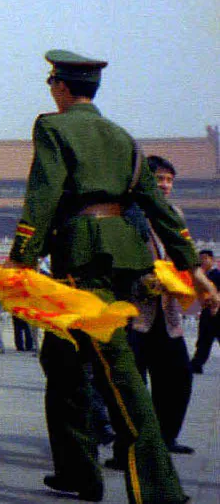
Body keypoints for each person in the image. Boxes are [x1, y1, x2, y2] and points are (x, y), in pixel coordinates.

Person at [8, 49, 218, 503]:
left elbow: (42, 194)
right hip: (120, 255)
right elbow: (159, 208)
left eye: (51, 85)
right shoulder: (124, 138)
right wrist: (194, 269)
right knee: (61, 362)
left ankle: (160, 489)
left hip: (82, 259)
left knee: (117, 370)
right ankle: (77, 471)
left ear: (60, 88)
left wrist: (21, 257)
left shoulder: (53, 126)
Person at [111, 155, 195, 459]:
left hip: (167, 311)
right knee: (132, 381)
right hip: (133, 311)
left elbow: (184, 256)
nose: (165, 185)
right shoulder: (124, 214)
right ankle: (127, 446)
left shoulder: (174, 215)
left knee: (178, 375)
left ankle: (166, 436)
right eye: (159, 178)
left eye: (170, 180)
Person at [190, 249, 220, 374]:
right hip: (207, 312)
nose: (202, 261)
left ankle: (196, 363)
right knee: (203, 340)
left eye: (205, 258)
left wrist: (216, 306)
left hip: (217, 312)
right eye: (200, 258)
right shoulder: (202, 276)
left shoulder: (216, 275)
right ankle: (196, 364)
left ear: (212, 259)